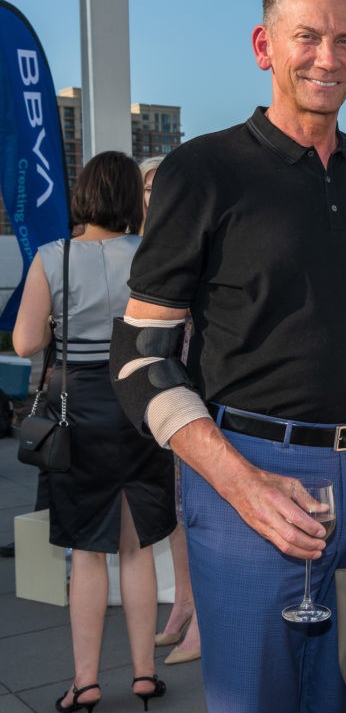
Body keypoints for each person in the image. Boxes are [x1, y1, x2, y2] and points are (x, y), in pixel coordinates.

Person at [109, 0, 346, 713]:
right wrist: (239, 484)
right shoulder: (203, 171)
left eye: (344, 40)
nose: (326, 56)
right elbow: (137, 355)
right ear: (263, 46)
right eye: (306, 36)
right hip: (247, 474)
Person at [13, 150, 176, 713]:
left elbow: (25, 343)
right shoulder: (151, 256)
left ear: (83, 194)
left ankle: (84, 684)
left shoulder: (52, 259)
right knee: (136, 549)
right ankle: (143, 674)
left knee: (86, 555)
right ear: (132, 199)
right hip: (140, 403)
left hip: (77, 410)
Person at [137, 155, 202, 666]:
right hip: (151, 392)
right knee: (175, 508)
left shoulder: (196, 239)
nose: (156, 195)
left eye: (164, 185)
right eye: (148, 187)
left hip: (191, 389)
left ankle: (201, 616)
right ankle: (183, 603)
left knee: (194, 503)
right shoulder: (141, 248)